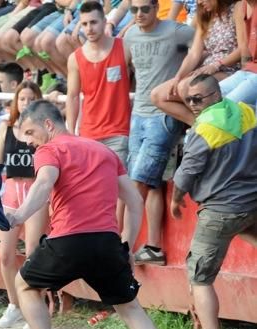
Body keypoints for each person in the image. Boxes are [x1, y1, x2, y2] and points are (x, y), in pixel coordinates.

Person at [7, 100, 194, 329]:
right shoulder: (104, 151)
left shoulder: (49, 150)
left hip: (68, 240)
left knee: (25, 285)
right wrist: (127, 247)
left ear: (48, 124)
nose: (29, 142)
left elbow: (43, 185)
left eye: (30, 132)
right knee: (131, 309)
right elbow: (134, 202)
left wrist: (18, 216)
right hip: (107, 243)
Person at [170, 74, 257, 329]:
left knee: (200, 278)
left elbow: (187, 171)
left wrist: (175, 198)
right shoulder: (247, 112)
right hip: (251, 204)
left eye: (198, 99)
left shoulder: (204, 127)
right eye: (189, 100)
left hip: (220, 210)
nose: (193, 105)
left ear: (216, 95)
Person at [123, 0, 195, 265]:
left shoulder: (178, 31)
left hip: (164, 114)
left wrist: (183, 85)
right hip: (138, 114)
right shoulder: (130, 35)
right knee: (148, 183)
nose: (139, 14)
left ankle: (122, 247)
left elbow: (200, 51)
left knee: (138, 182)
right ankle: (152, 248)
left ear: (156, 8)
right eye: (134, 10)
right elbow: (124, 72)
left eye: (144, 8)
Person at [0, 81, 47, 328]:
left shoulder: (44, 130)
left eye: (30, 98)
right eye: (22, 98)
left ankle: (34, 305)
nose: (26, 102)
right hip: (12, 192)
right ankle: (14, 304)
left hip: (35, 191)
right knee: (5, 254)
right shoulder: (6, 127)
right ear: (16, 101)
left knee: (33, 251)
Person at [151, 0, 242, 126]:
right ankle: (200, 128)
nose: (199, 2)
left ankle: (212, 128)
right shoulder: (205, 16)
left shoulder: (236, 9)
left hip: (229, 68)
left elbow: (243, 49)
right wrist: (178, 77)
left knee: (186, 88)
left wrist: (216, 65)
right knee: (158, 95)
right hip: (206, 70)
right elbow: (194, 53)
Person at [66, 1, 131, 167]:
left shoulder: (124, 47)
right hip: (88, 133)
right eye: (85, 24)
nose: (89, 28)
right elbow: (72, 96)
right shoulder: (75, 58)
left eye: (93, 22)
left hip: (119, 132)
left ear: (104, 21)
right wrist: (70, 132)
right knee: (93, 188)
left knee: (117, 189)